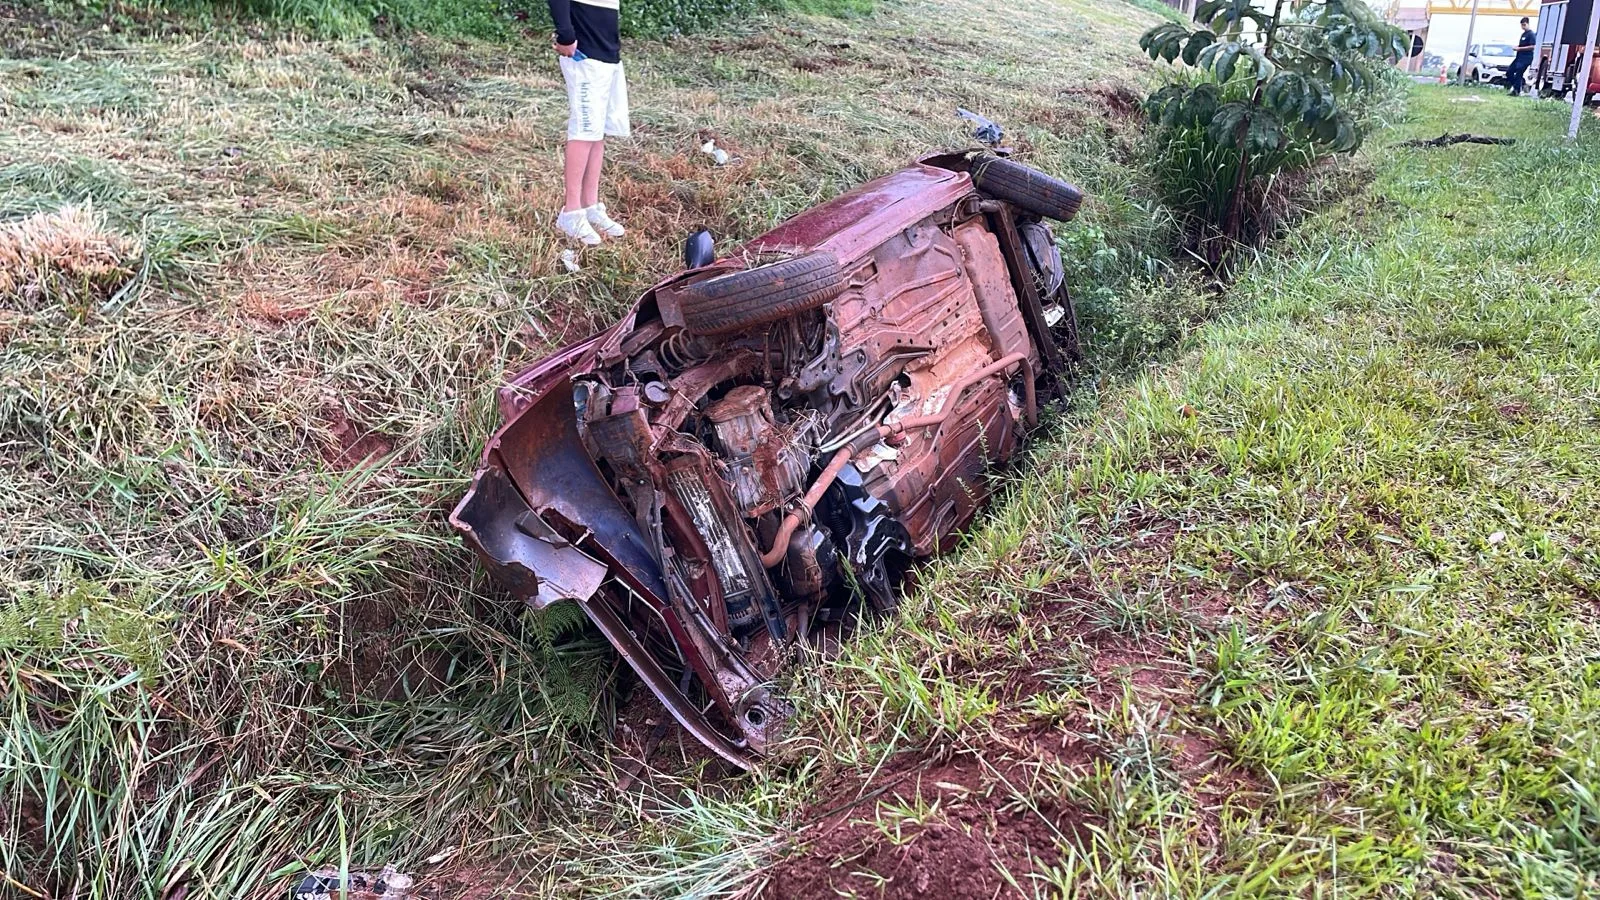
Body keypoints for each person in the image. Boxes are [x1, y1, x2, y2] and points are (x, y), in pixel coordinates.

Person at [549, 0, 628, 245]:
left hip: (608, 54)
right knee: (583, 132)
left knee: (597, 133)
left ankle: (590, 206)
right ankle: (571, 213)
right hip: (585, 54)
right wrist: (566, 34)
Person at [1507, 17, 1536, 96]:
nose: (1523, 27)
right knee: (1509, 71)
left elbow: (1533, 46)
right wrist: (1517, 47)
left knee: (1519, 73)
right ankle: (1516, 87)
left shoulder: (1531, 34)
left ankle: (1517, 91)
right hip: (1519, 57)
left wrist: (1519, 48)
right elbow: (1522, 45)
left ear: (1528, 24)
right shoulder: (1523, 34)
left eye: (1524, 25)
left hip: (1526, 58)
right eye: (1522, 25)